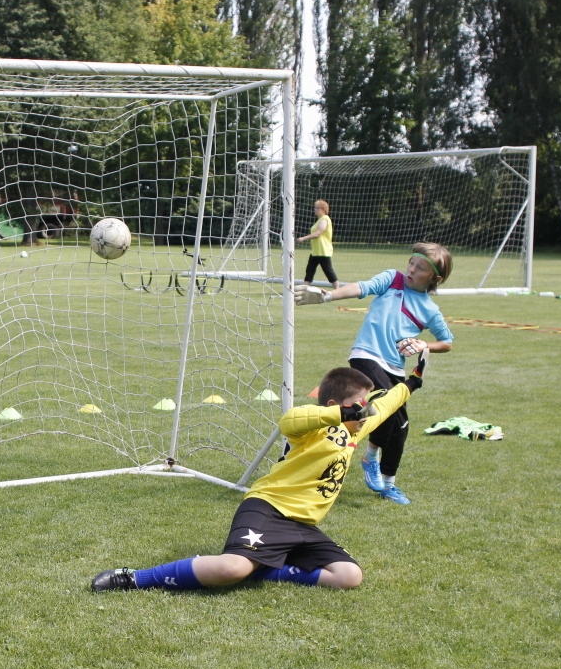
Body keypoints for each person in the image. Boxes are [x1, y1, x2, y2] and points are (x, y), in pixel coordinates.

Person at [90, 357, 428, 593]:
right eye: (359, 404)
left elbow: (387, 404)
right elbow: (290, 420)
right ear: (338, 403)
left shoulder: (359, 425)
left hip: (302, 525)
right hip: (267, 509)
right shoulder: (312, 425)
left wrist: (412, 382)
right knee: (230, 570)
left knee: (348, 576)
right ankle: (133, 578)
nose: (365, 410)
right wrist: (336, 414)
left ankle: (265, 566)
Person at [294, 242, 454, 505]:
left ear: (435, 278)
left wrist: (423, 344)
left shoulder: (430, 310)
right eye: (412, 262)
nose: (412, 269)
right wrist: (325, 296)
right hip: (365, 355)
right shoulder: (393, 279)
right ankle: (359, 448)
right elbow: (361, 287)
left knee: (400, 425)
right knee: (383, 402)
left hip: (395, 368)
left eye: (421, 268)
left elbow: (446, 342)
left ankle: (385, 481)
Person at [296, 199, 339, 289]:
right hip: (316, 251)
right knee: (310, 270)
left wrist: (303, 238)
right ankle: (304, 289)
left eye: (317, 208)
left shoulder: (325, 219)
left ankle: (338, 290)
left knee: (328, 271)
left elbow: (318, 233)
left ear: (323, 209)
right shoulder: (319, 220)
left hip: (323, 251)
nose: (315, 209)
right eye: (315, 207)